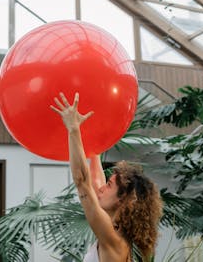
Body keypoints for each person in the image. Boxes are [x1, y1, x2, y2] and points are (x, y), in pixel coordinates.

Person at [51, 92, 163, 262]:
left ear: (122, 200)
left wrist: (73, 129)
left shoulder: (115, 242)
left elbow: (82, 182)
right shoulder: (114, 234)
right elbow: (95, 184)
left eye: (109, 185)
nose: (102, 188)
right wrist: (94, 143)